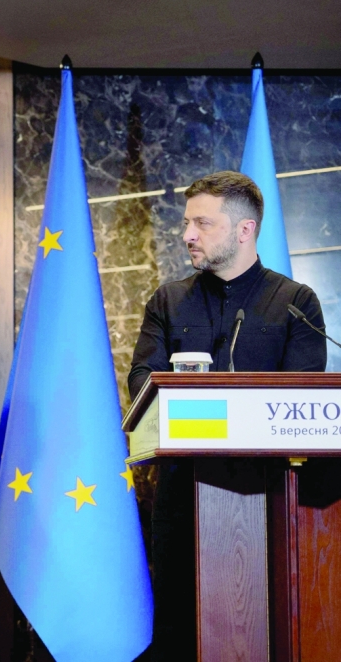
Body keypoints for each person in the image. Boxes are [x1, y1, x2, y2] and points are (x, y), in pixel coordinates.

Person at [128, 170, 327, 661]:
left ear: (244, 230)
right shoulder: (168, 301)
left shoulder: (295, 303)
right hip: (182, 497)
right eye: (186, 223)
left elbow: (302, 401)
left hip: (270, 501)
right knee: (179, 632)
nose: (187, 234)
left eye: (203, 223)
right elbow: (142, 382)